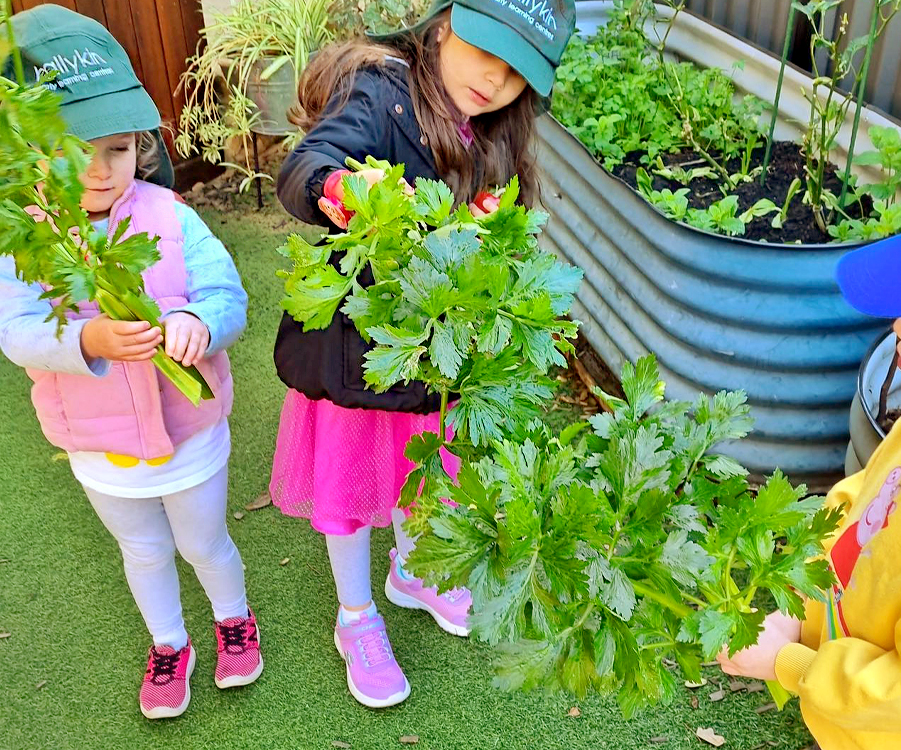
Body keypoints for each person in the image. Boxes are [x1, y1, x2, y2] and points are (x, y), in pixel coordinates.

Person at [269, 0, 576, 708]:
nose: (495, 78)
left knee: (420, 468)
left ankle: (411, 571)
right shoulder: (379, 89)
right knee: (347, 490)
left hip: (434, 350)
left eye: (517, 71)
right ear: (442, 25)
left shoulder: (495, 129)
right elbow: (305, 165)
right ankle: (355, 618)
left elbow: (481, 220)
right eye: (484, 50)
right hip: (356, 347)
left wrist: (482, 226)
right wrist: (341, 190)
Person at [0, 5, 259, 720]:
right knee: (142, 550)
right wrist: (86, 342)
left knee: (204, 541)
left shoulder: (172, 215)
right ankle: (169, 641)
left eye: (116, 149)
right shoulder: (23, 238)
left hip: (191, 430)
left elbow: (226, 294)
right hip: (99, 443)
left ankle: (234, 617)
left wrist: (195, 321)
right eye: (74, 149)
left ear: (138, 147)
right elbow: (16, 332)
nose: (98, 169)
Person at [717, 185, 901, 749]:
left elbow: (900, 693)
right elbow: (862, 496)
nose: (900, 325)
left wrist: (789, 664)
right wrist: (801, 599)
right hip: (845, 709)